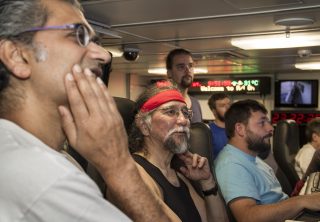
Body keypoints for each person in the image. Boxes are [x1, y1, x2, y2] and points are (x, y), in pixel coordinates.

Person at [0, 1, 170, 221]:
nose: (104, 55)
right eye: (78, 35)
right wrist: (119, 166)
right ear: (18, 56)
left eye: (96, 41)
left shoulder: (46, 158)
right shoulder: (46, 176)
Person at [128, 82, 227, 222]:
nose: (183, 120)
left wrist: (207, 182)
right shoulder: (135, 173)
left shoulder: (179, 175)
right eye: (170, 112)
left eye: (185, 113)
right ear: (144, 125)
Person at [214, 99, 320, 222]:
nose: (270, 128)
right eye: (262, 123)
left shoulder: (252, 157)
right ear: (240, 129)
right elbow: (247, 217)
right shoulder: (231, 165)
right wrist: (304, 201)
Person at [166, 48, 202, 123]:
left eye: (190, 66)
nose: (188, 70)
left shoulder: (195, 103)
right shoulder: (162, 103)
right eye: (181, 67)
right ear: (169, 73)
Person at [207, 93, 231, 159]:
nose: (228, 108)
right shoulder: (208, 132)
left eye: (229, 104)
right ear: (214, 111)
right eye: (222, 106)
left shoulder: (238, 129)